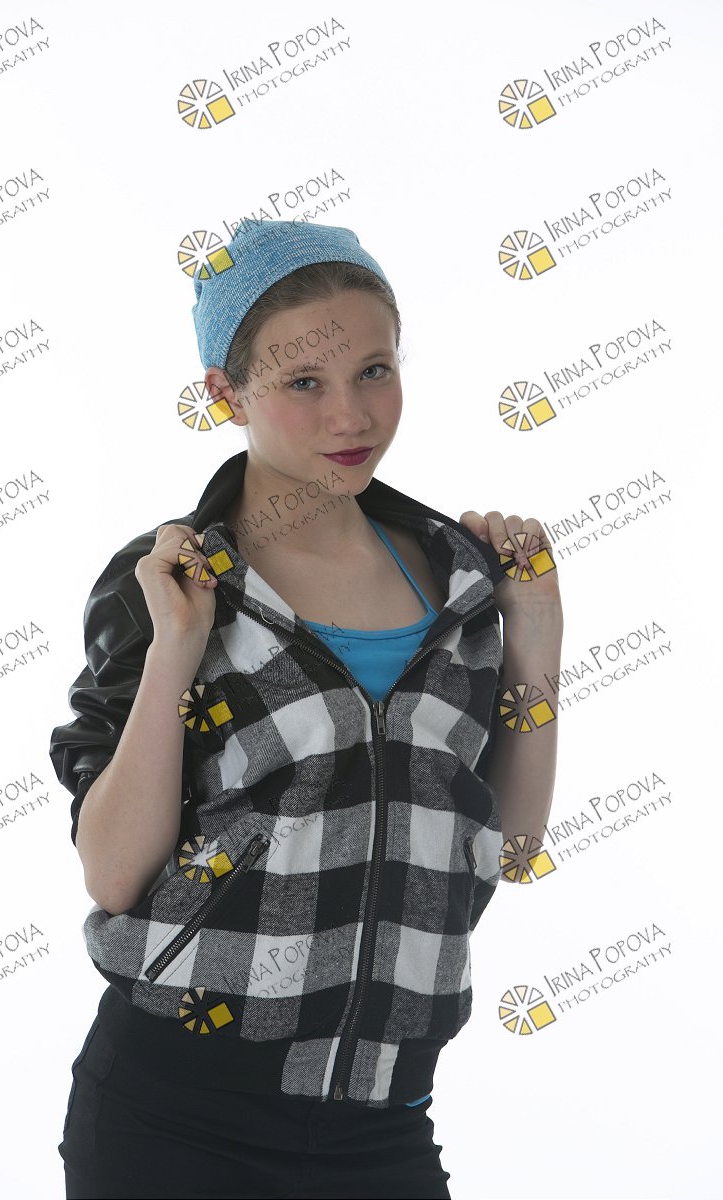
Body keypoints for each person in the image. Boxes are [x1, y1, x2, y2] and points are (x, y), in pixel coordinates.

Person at [49, 218, 563, 1199]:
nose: (349, 414)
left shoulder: (459, 582)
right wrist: (175, 652)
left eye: (374, 371)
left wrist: (534, 635)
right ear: (225, 394)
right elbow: (114, 874)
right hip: (173, 1119)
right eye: (303, 383)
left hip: (382, 1124)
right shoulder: (171, 581)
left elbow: (510, 846)